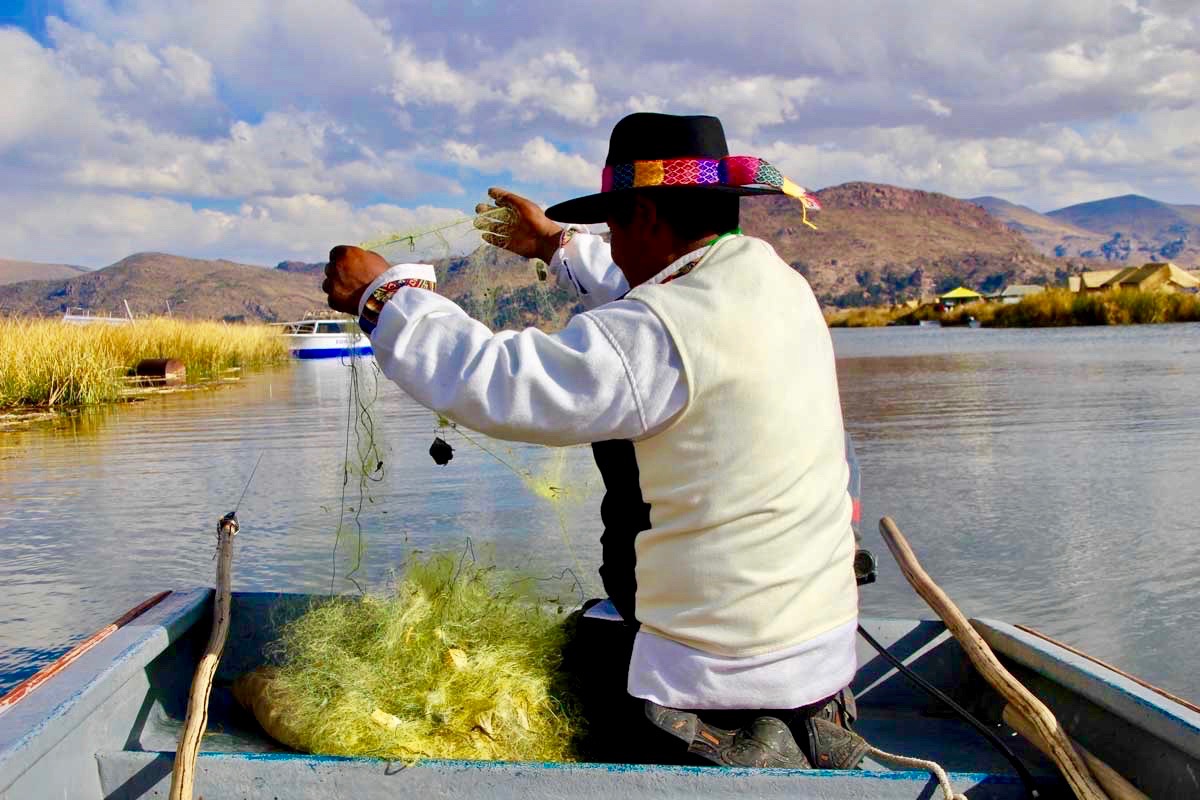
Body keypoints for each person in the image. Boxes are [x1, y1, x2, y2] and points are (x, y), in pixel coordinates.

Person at [322, 112, 866, 768]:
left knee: (546, 681)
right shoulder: (772, 286)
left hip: (724, 681)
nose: (608, 244)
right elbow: (649, 299)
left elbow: (495, 381)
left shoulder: (666, 330)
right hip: (818, 662)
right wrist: (554, 245)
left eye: (612, 228)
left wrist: (385, 295)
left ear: (644, 217)